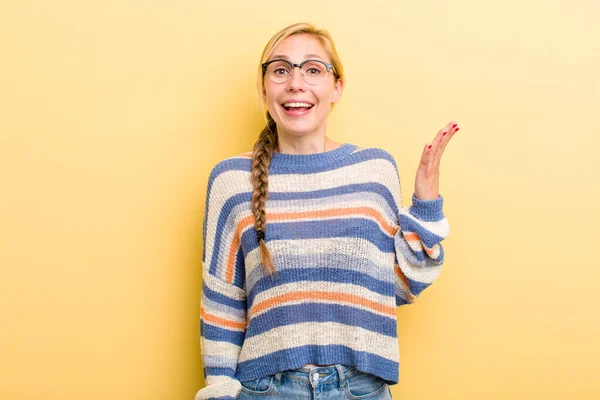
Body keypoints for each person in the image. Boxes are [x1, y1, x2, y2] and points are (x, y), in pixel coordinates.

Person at [195, 22, 457, 400]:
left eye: (313, 69)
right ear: (264, 86)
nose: (296, 83)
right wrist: (219, 391)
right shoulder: (231, 180)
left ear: (336, 87)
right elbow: (221, 302)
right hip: (266, 391)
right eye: (281, 69)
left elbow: (399, 286)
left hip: (361, 389)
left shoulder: (374, 171)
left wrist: (426, 205)